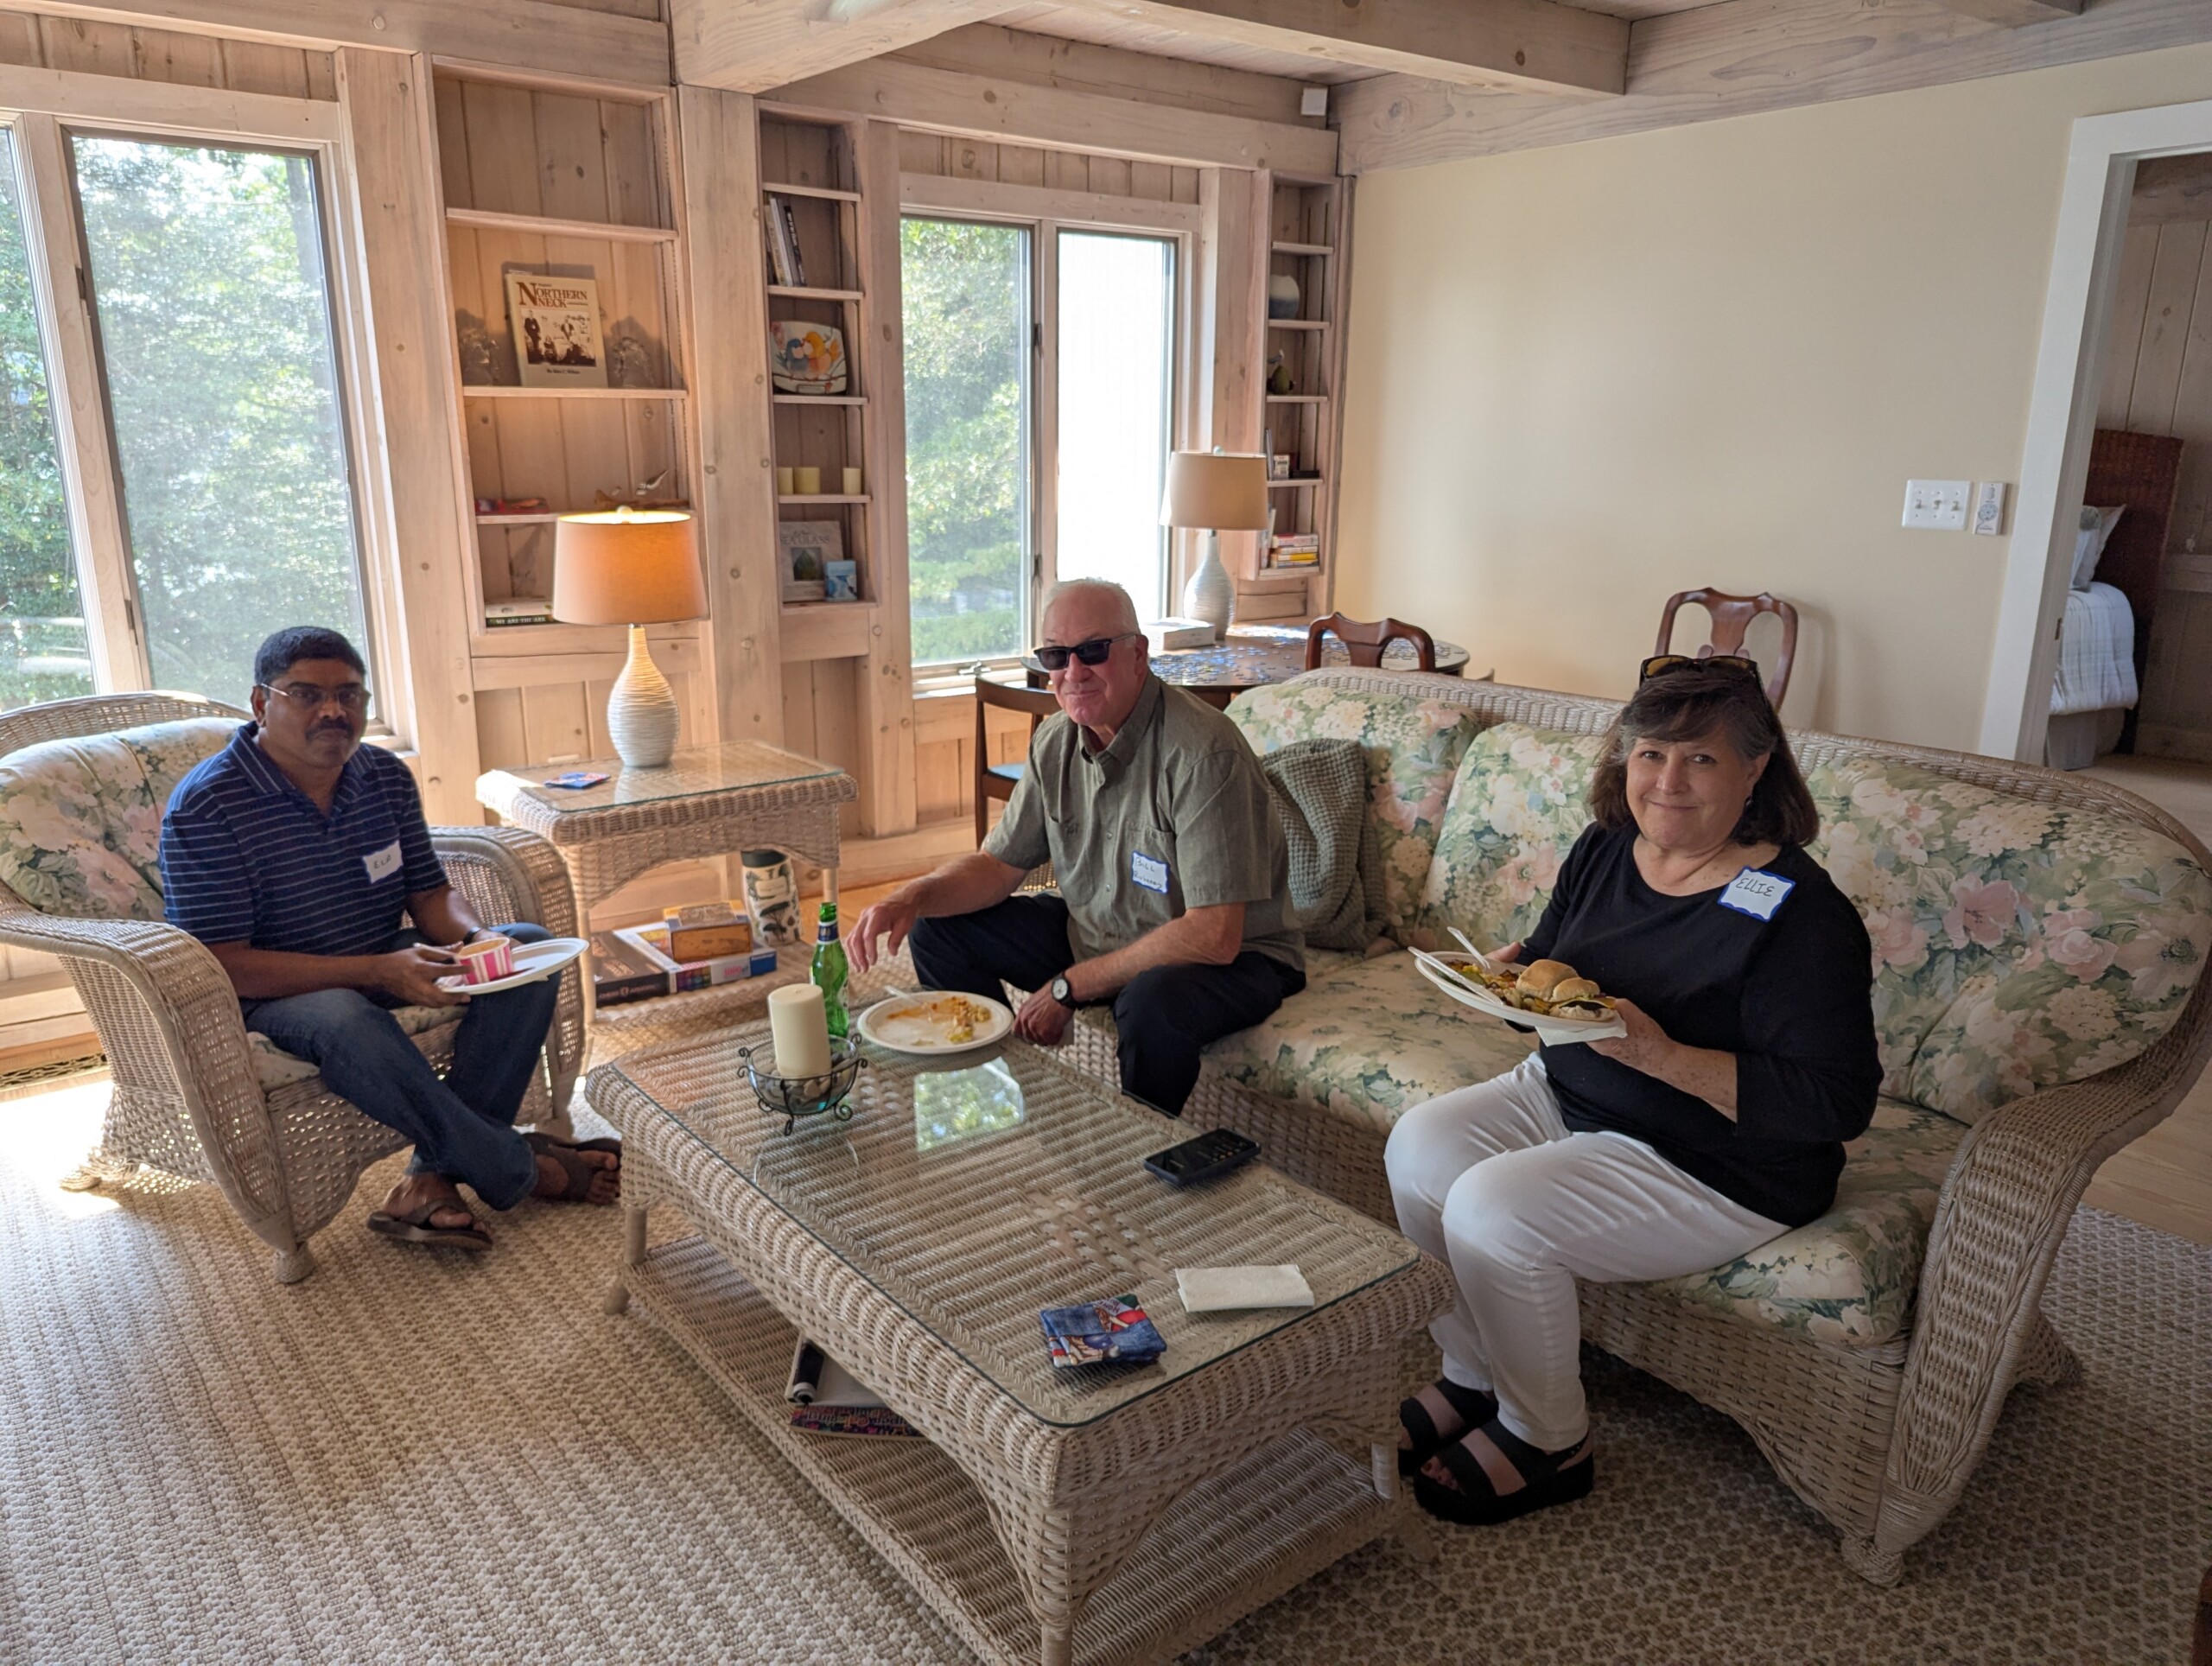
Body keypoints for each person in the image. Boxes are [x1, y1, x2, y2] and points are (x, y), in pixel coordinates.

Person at [1384, 654, 1879, 1526]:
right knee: (1419, 1146)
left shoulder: (1800, 912)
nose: (1666, 781)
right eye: (1650, 753)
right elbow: (1551, 957)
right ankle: (1473, 1373)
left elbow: (1836, 1104)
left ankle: (1549, 1438)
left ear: (1756, 767)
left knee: (1492, 1208)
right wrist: (1508, 983)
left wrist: (1661, 1056)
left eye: (1700, 759)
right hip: (1574, 1089)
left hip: (1716, 1158)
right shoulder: (1610, 844)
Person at [159, 626, 615, 1252]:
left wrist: (477, 940)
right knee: (347, 1018)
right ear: (261, 703)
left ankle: (431, 1177)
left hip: (384, 953)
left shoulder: (382, 775)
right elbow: (225, 964)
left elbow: (428, 894)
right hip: (277, 992)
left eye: (350, 695)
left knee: (527, 949)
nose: (333, 711)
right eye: (306, 694)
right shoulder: (208, 807)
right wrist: (375, 971)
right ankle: (521, 1169)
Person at [849, 579, 1304, 1116]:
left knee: (1151, 1002)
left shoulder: (1204, 752)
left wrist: (1070, 986)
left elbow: (1213, 935)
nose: (1073, 671)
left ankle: (1140, 1156)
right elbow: (998, 867)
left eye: (1092, 651)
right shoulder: (1055, 741)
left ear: (1139, 655)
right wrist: (913, 896)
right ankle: (1018, 1095)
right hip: (1104, 933)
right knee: (937, 930)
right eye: (1055, 655)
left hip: (1235, 959)